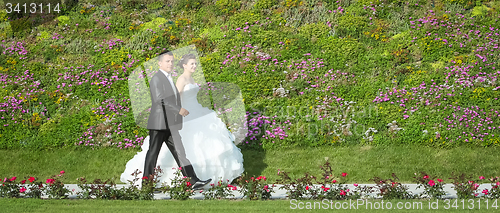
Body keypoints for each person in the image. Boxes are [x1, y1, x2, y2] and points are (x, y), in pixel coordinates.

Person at [121, 52, 244, 189]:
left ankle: (193, 180)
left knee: (180, 152)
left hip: (170, 123)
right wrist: (178, 109)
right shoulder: (156, 78)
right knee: (153, 153)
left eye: (172, 61)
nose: (170, 64)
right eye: (167, 61)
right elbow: (160, 99)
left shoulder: (169, 78)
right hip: (159, 123)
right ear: (159, 63)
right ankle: (146, 185)